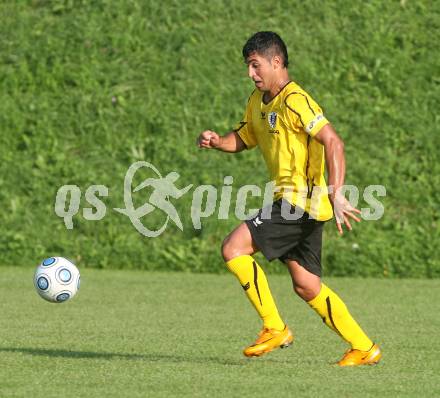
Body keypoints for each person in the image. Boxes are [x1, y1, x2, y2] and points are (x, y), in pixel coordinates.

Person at [196, 31, 381, 366]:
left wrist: (337, 193)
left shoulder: (297, 100)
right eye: (248, 67)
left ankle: (274, 327)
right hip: (301, 206)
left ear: (276, 61)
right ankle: (363, 346)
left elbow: (333, 142)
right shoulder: (257, 101)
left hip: (300, 203)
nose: (250, 74)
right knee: (307, 286)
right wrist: (217, 142)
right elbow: (243, 137)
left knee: (233, 248)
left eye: (255, 65)